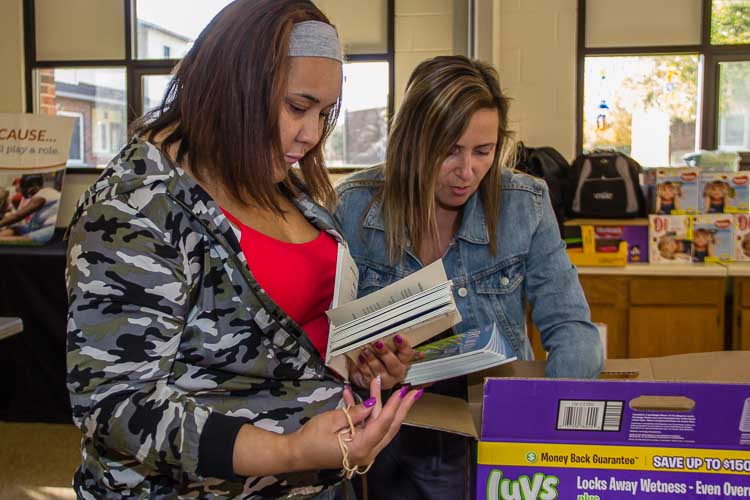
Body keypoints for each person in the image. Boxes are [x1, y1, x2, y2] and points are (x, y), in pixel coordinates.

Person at [65, 1, 420, 498]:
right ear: (234, 86)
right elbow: (117, 404)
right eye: (298, 107)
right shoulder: (135, 207)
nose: (312, 134)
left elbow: (287, 338)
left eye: (323, 112)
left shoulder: (269, 177)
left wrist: (356, 368)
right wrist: (290, 451)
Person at [335, 56, 603, 500]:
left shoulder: (526, 204)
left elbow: (572, 327)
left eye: (483, 151)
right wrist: (363, 368)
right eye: (449, 151)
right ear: (411, 142)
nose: (467, 172)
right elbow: (327, 343)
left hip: (500, 432)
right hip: (396, 439)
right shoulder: (354, 207)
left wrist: (550, 416)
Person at [0, 174, 61, 243]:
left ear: (34, 186)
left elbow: (18, 216)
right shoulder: (38, 196)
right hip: (41, 227)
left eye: (23, 187)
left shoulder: (44, 193)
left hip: (52, 229)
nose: (22, 191)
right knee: (16, 229)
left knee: (24, 239)